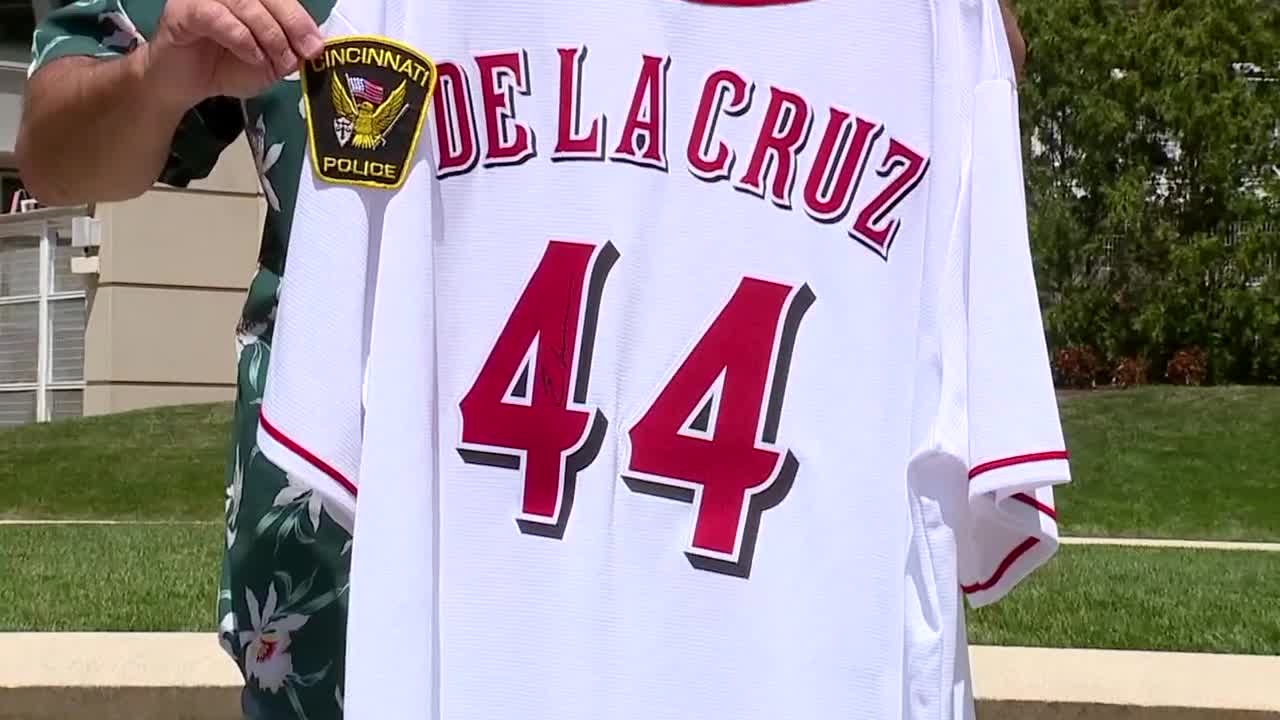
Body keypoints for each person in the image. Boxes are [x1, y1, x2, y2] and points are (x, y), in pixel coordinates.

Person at [17, 1, 1030, 719]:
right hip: (333, 588)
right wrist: (160, 76)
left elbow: (956, 108)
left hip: (717, 592)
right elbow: (56, 156)